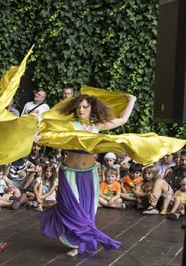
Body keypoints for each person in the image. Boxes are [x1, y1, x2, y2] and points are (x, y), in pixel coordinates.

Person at [38, 93, 136, 256]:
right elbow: (50, 130)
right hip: (69, 172)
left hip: (89, 173)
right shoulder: (70, 125)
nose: (81, 110)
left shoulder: (97, 126)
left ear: (92, 108)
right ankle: (80, 240)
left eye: (85, 107)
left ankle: (80, 243)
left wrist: (132, 100)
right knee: (71, 208)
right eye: (78, 107)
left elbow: (122, 120)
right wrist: (39, 135)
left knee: (87, 209)